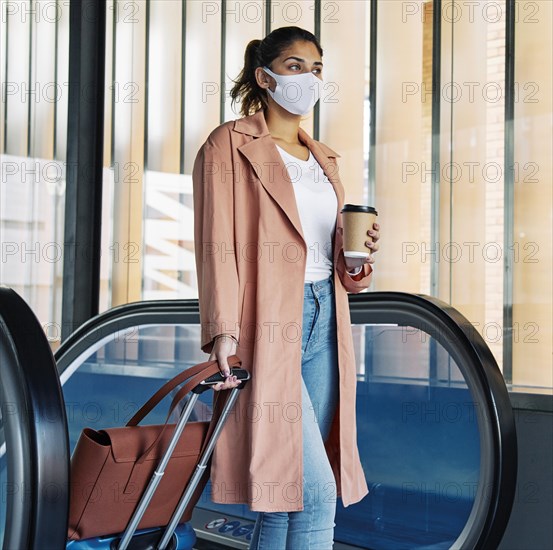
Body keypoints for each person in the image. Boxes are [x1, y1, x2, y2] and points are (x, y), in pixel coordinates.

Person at [192, 26, 380, 550]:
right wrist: (223, 334)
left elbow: (335, 263)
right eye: (296, 66)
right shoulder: (229, 145)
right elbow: (215, 246)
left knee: (284, 495)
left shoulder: (326, 160)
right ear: (265, 76)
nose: (309, 78)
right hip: (266, 322)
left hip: (325, 316)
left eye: (317, 69)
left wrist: (358, 259)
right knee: (314, 491)